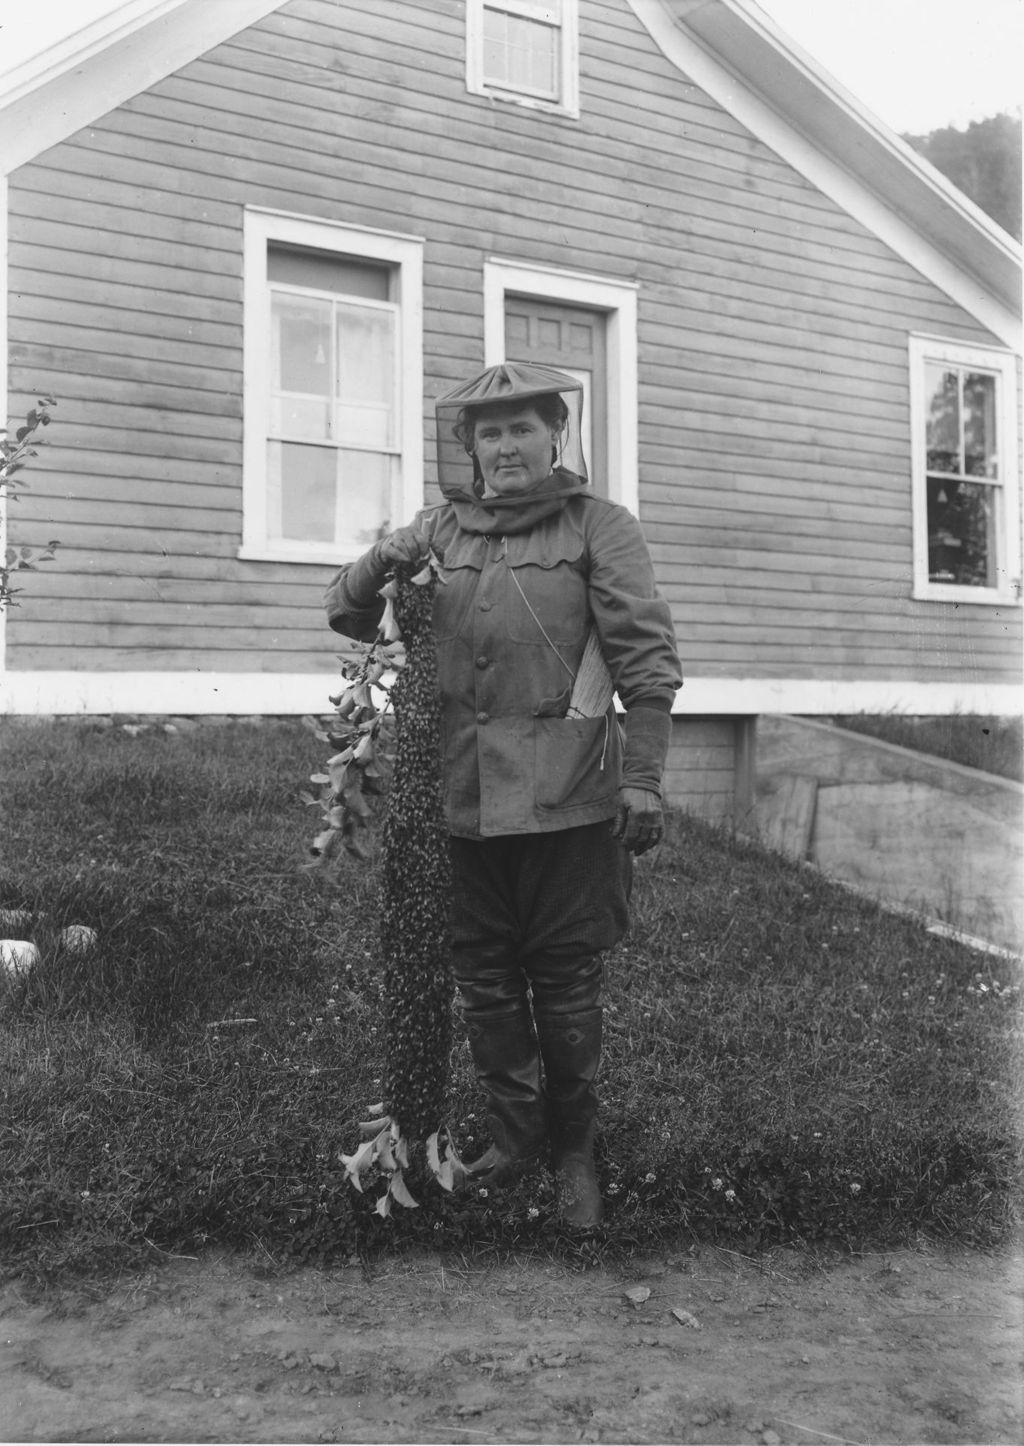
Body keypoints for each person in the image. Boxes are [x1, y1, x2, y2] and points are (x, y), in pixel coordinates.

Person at [324, 361, 682, 1227]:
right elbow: (344, 610)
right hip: (456, 799)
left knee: (564, 977)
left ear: (554, 436)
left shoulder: (601, 526)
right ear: (470, 448)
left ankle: (573, 1154)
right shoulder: (439, 531)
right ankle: (516, 1137)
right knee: (481, 978)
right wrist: (384, 556)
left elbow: (646, 660)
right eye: (490, 432)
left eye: (523, 427)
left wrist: (643, 776)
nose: (507, 445)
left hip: (569, 796)